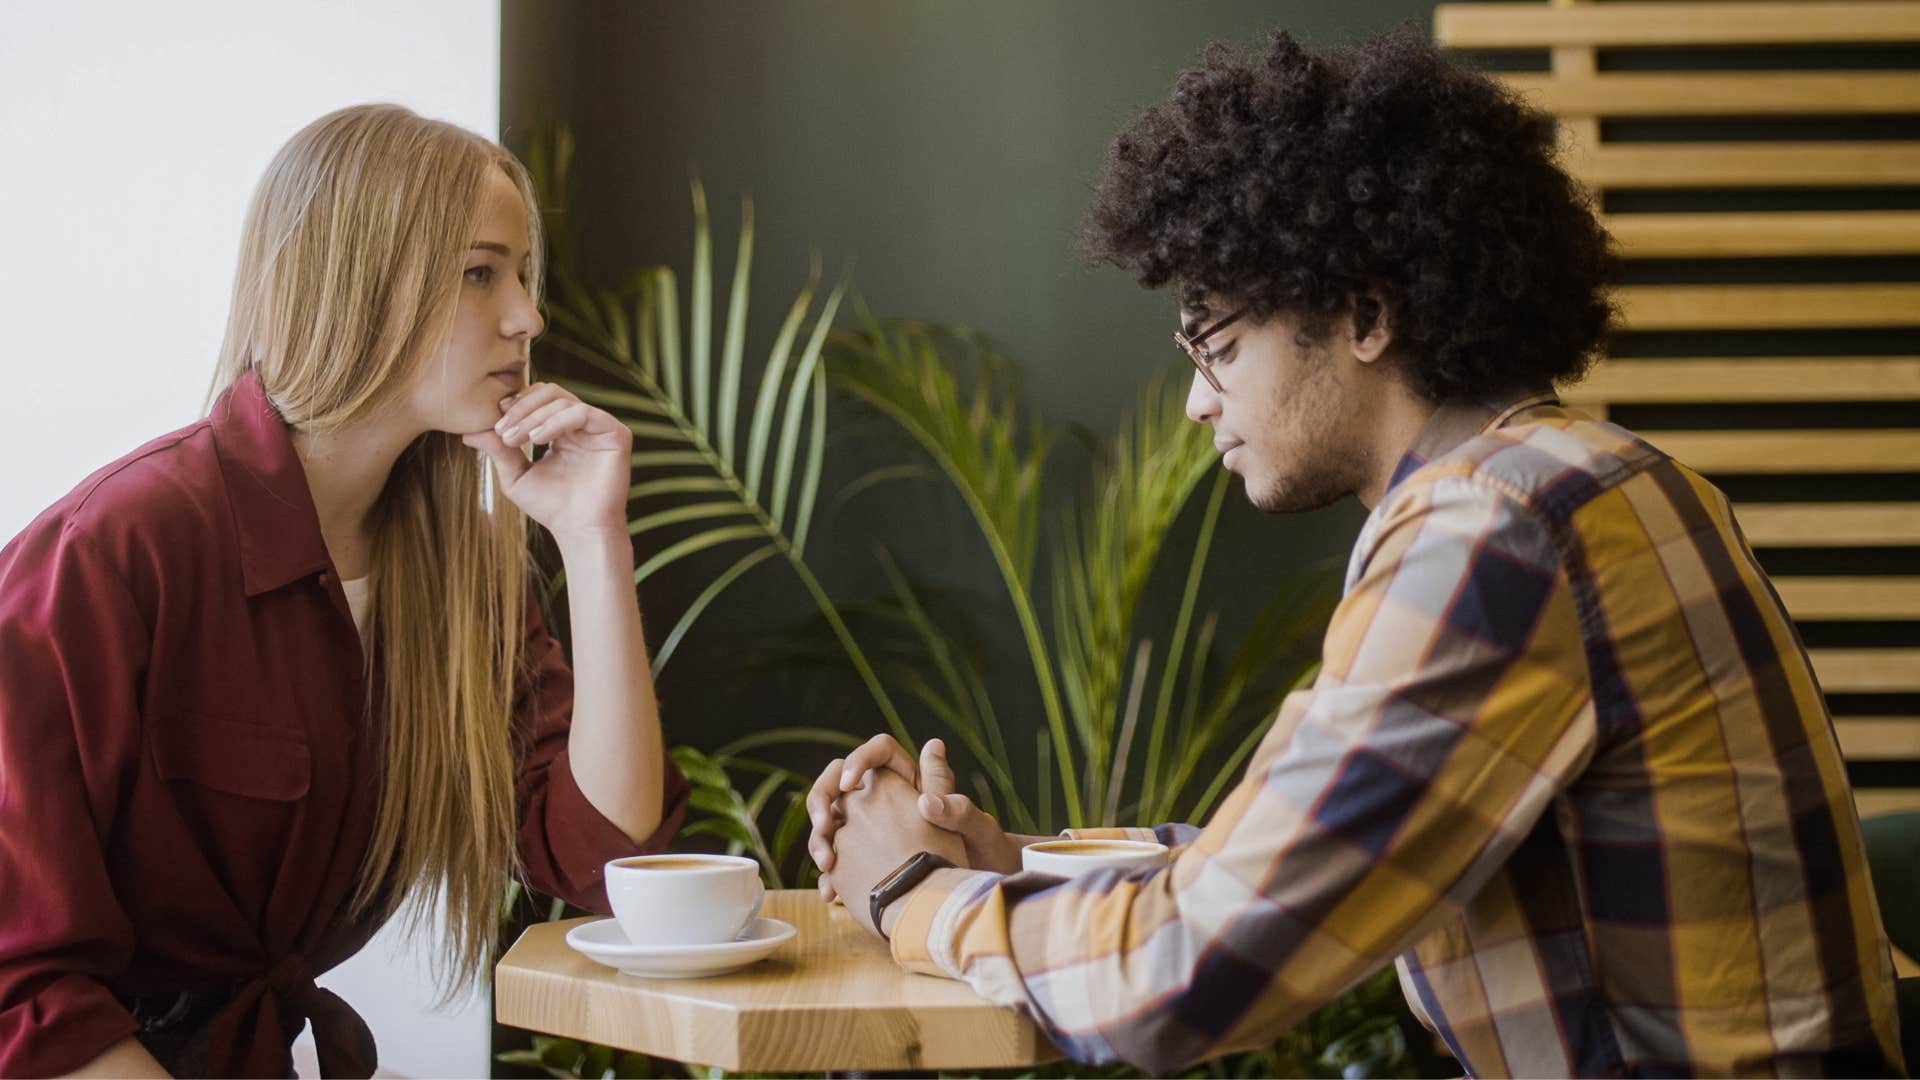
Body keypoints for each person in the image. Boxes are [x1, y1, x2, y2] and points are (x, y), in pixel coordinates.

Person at [804, 29, 1904, 1077]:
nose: (1196, 402)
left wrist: (909, 893)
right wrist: (1013, 865)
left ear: (1366, 314)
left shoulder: (1497, 530)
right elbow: (1303, 852)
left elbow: (1191, 976)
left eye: (1220, 346)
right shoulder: (1601, 478)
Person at [0, 104, 688, 1078]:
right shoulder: (118, 550)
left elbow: (608, 863)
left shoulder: (456, 576)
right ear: (362, 282)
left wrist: (593, 540)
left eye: (523, 275)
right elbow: (23, 991)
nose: (528, 316)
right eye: (480, 273)